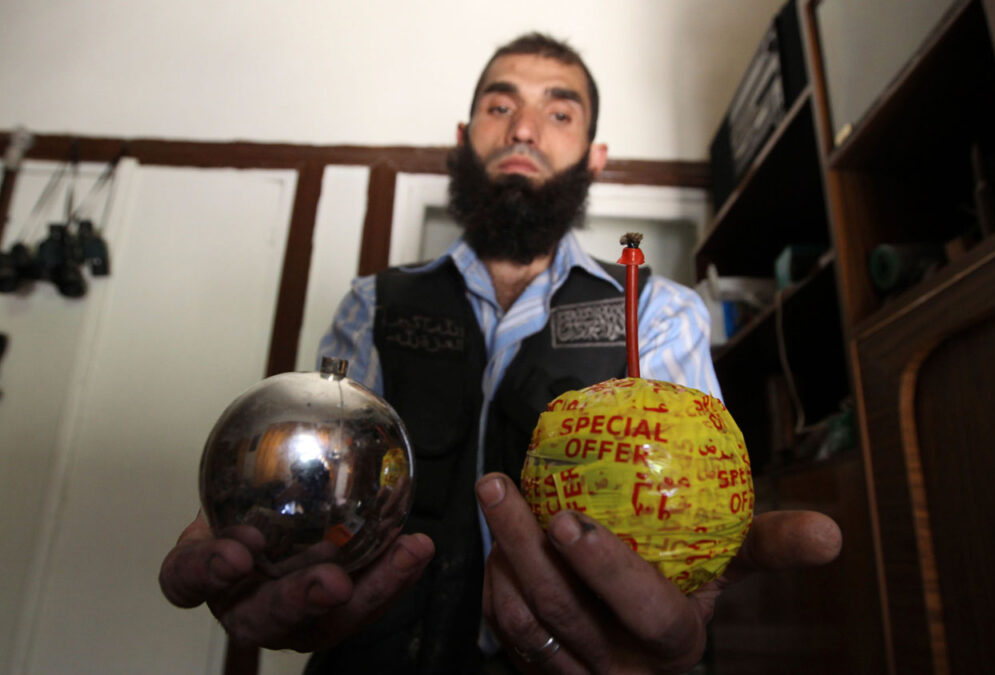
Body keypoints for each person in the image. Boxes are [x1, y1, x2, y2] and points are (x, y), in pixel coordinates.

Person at [160, 32, 841, 674]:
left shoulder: (661, 313)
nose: (523, 128)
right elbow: (323, 498)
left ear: (594, 157)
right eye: (499, 105)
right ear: (463, 140)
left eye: (559, 112)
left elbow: (692, 530)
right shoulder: (372, 305)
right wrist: (277, 533)